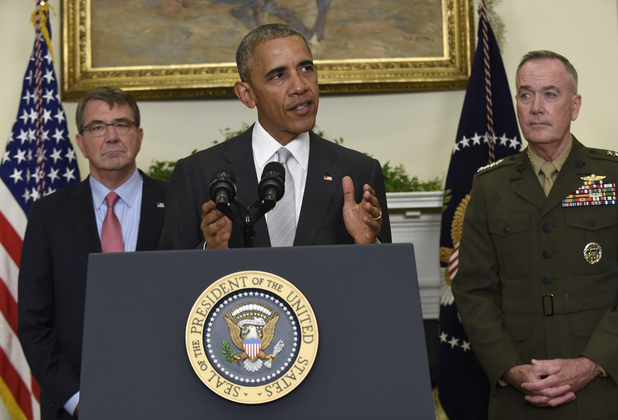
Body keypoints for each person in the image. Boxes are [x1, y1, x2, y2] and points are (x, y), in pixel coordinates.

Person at [451, 50, 618, 419]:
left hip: (603, 390)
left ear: (575, 104)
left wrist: (591, 363)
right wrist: (509, 368)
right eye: (525, 94)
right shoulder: (490, 185)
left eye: (550, 94)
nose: (536, 107)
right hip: (520, 392)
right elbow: (472, 291)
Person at [159, 23, 390, 250]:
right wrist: (211, 249)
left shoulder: (359, 172)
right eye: (279, 75)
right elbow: (170, 279)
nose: (300, 86)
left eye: (306, 68)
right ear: (247, 95)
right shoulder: (196, 174)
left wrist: (368, 245)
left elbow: (387, 280)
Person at [17, 87, 169, 419]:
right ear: (81, 141)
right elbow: (34, 324)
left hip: (167, 397)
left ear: (139, 136)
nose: (111, 137)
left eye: (122, 124)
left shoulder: (176, 203)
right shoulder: (48, 215)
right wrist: (79, 401)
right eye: (98, 127)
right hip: (76, 406)